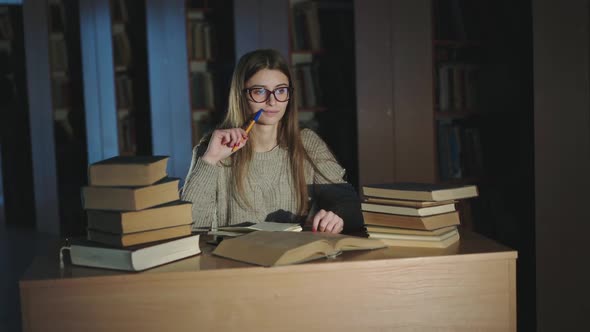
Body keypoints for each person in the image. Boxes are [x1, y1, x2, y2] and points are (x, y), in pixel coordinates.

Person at [181, 49, 363, 234]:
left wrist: (336, 216)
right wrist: (210, 160)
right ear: (240, 94)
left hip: (293, 258)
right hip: (234, 259)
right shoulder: (213, 148)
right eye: (260, 91)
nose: (272, 101)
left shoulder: (307, 143)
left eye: (281, 91)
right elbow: (188, 227)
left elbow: (350, 204)